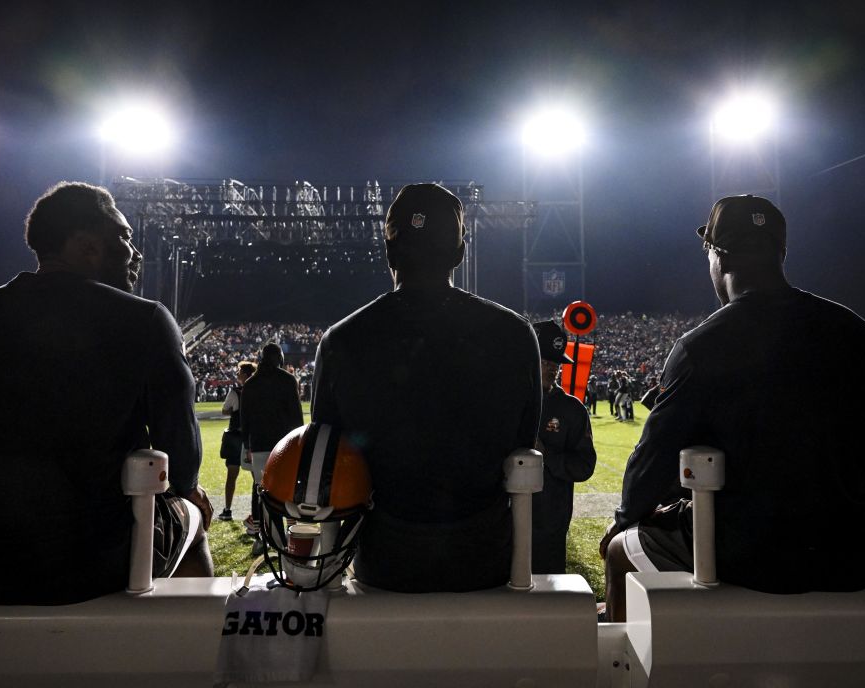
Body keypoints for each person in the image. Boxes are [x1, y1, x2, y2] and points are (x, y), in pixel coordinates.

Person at [599, 195, 865, 621]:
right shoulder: (863, 335)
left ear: (717, 256)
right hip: (854, 547)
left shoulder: (702, 344)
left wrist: (626, 517)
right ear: (782, 252)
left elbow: (652, 465)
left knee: (618, 548)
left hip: (752, 553)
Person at [0, 181, 214, 605]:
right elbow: (182, 458)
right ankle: (189, 656)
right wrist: (190, 490)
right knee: (194, 516)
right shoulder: (143, 319)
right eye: (123, 237)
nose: (135, 253)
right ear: (87, 247)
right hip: (91, 562)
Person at [311, 182, 541, 592]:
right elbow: (523, 440)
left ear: (389, 252)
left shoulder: (343, 340)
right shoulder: (514, 334)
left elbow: (327, 453)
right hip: (483, 553)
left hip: (385, 556)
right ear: (459, 253)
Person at [531, 319, 597, 574]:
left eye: (556, 363)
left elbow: (584, 467)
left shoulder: (572, 410)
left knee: (549, 595)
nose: (552, 368)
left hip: (551, 519)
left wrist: (547, 455)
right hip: (505, 519)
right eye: (545, 361)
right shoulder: (507, 403)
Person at [239, 342, 304, 555]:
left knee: (262, 492)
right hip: (284, 444)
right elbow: (296, 416)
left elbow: (244, 419)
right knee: (287, 490)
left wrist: (247, 445)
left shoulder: (251, 383)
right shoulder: (287, 380)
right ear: (279, 358)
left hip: (258, 446)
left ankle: (263, 537)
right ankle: (291, 534)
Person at [218, 360, 256, 522]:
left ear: (245, 374)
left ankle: (227, 510)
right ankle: (258, 511)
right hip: (252, 438)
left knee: (231, 475)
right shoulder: (258, 391)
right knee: (257, 478)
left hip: (235, 438)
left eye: (240, 372)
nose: (237, 374)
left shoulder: (235, 392)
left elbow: (225, 410)